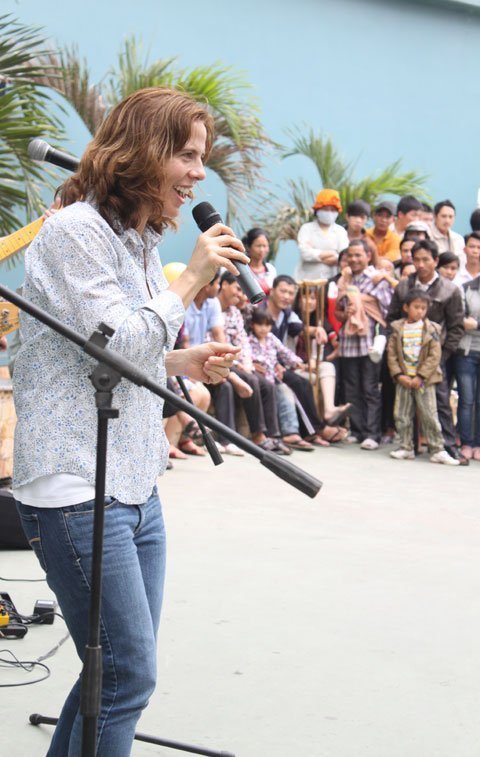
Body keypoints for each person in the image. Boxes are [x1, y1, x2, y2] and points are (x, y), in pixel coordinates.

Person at [12, 87, 250, 757]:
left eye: (202, 158)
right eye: (188, 156)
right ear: (145, 150)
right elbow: (117, 343)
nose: (198, 174)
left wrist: (180, 358)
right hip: (75, 486)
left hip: (135, 483)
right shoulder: (73, 232)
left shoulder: (137, 237)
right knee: (127, 674)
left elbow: (101, 347)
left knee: (111, 673)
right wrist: (189, 280)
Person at [387, 239, 466, 464]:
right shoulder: (403, 286)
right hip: (405, 358)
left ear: (436, 261)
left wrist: (443, 355)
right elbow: (392, 319)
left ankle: (446, 447)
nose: (421, 265)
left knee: (439, 403)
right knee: (404, 405)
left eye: (426, 260)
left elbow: (456, 326)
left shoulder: (449, 289)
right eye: (416, 260)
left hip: (434, 358)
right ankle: (408, 445)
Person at [334, 239, 393, 449]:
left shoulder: (377, 279)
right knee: (351, 388)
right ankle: (357, 430)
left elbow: (386, 311)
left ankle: (372, 434)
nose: (354, 259)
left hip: (370, 341)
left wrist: (362, 306)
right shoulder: (345, 279)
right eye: (350, 255)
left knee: (370, 388)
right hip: (349, 341)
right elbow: (339, 311)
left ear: (368, 256)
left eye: (358, 255)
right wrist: (348, 312)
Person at [295, 188, 348, 282]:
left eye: (333, 210)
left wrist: (317, 255)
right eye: (326, 209)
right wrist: (332, 253)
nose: (329, 213)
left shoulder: (341, 231)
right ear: (317, 210)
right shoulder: (306, 229)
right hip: (306, 280)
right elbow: (305, 254)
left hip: (332, 280)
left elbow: (343, 256)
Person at [455, 276, 480, 461]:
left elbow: (470, 323)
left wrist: (476, 324)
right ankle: (466, 443)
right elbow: (459, 319)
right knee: (466, 400)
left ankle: (478, 444)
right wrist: (468, 323)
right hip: (466, 351)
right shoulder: (466, 288)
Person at [242, 227, 277, 295]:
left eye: (264, 246)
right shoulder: (242, 268)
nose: (262, 250)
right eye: (258, 246)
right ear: (248, 247)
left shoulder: (271, 269)